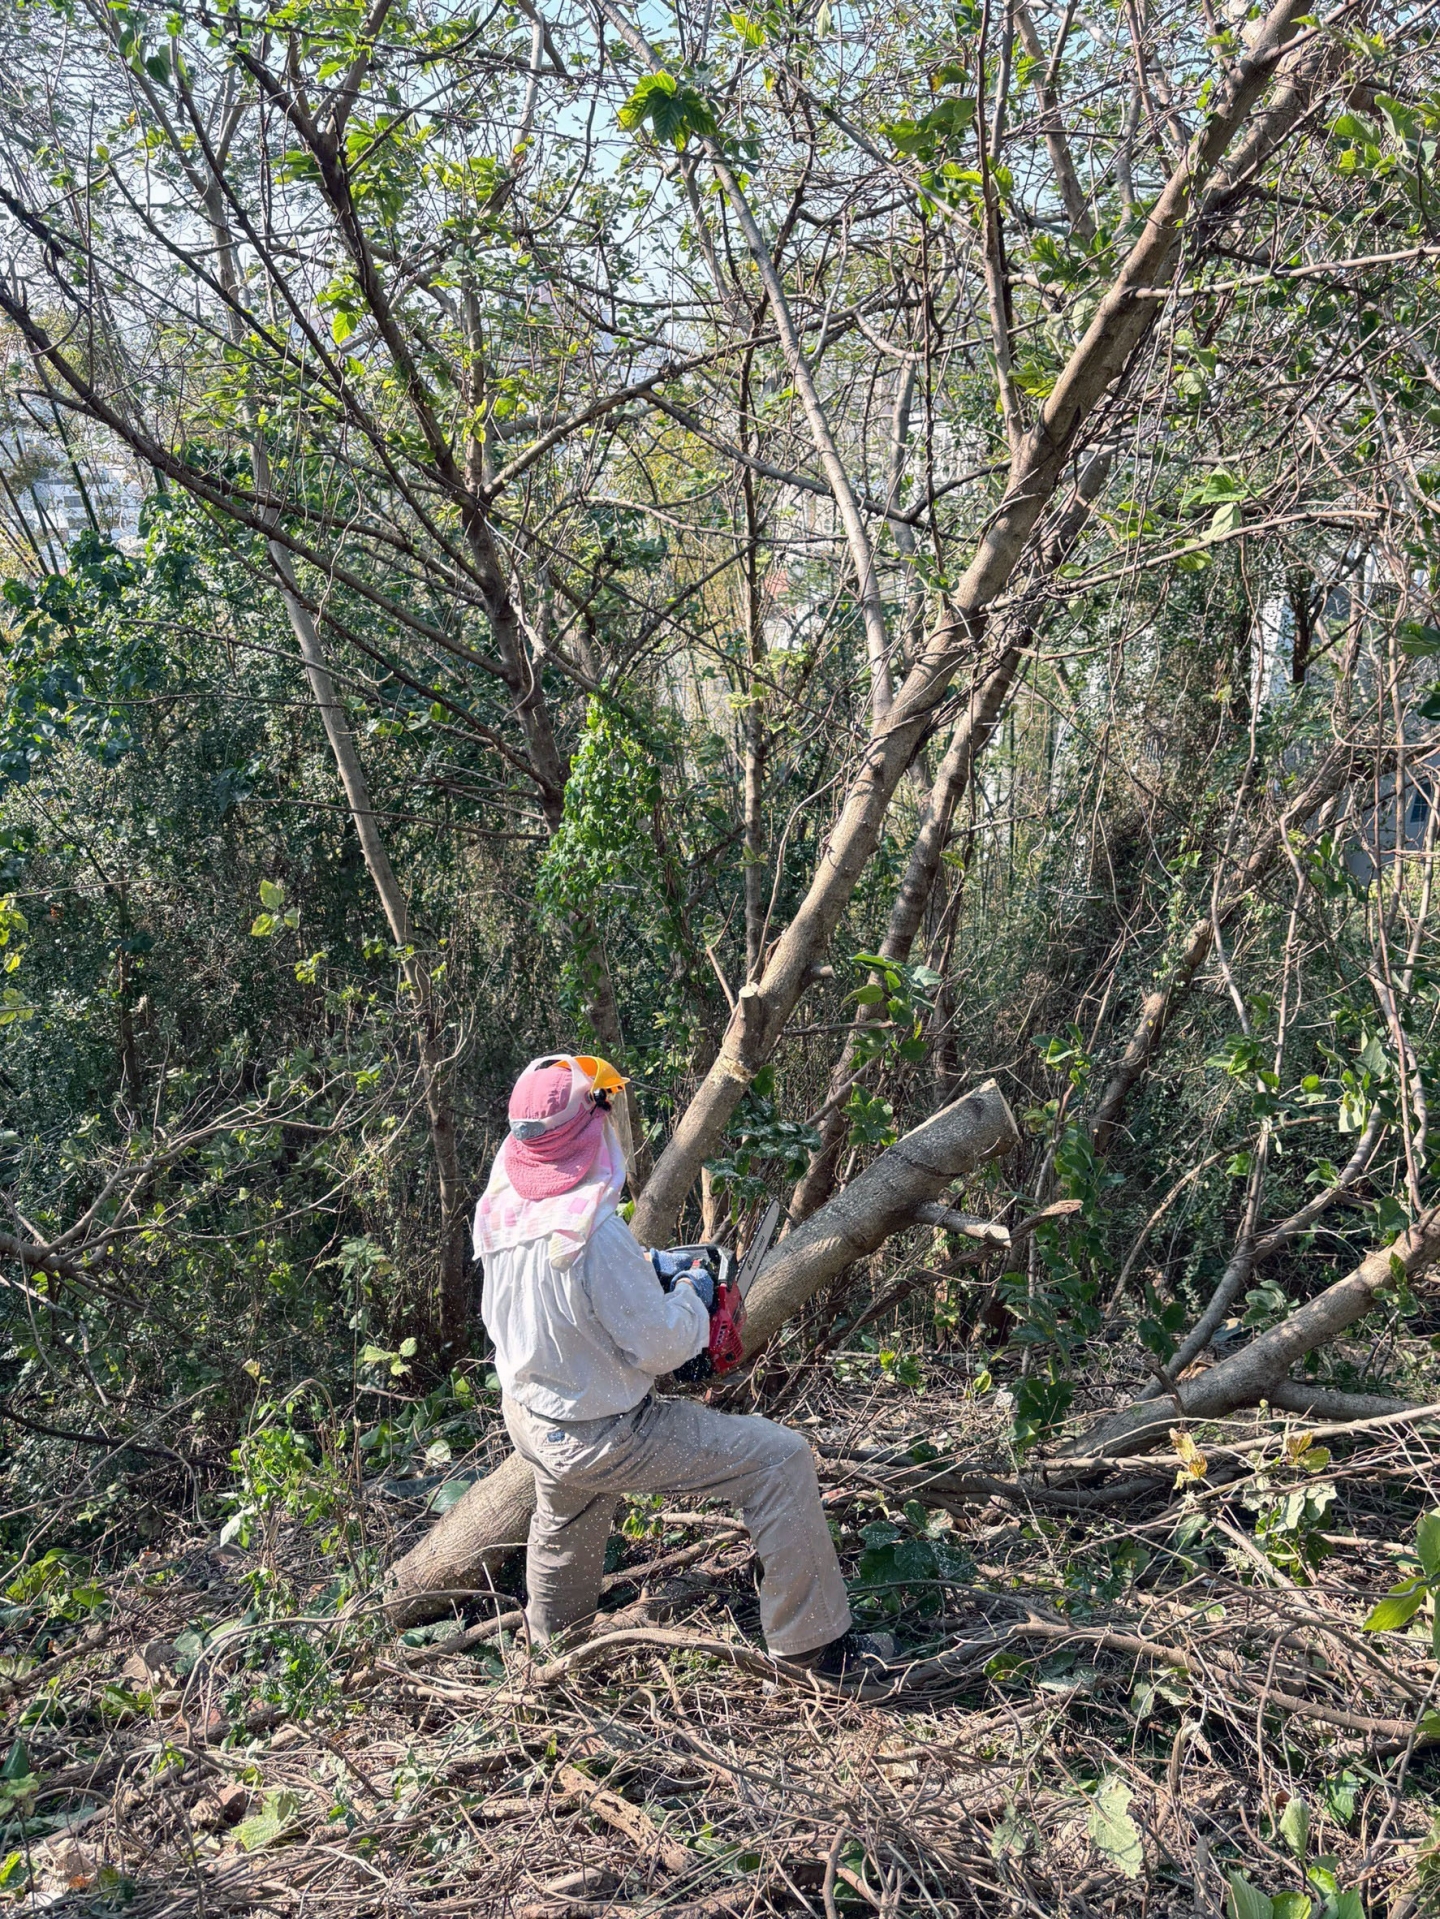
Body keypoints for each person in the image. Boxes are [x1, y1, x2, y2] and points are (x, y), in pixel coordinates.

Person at [473, 1052, 891, 1680]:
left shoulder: (503, 1206)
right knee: (780, 1461)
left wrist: (653, 1273)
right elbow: (663, 1346)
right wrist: (693, 1298)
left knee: (569, 1512)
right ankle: (815, 1651)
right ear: (593, 1125)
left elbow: (567, 1305)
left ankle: (553, 1659)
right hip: (603, 1431)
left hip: (534, 1414)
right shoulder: (594, 1237)